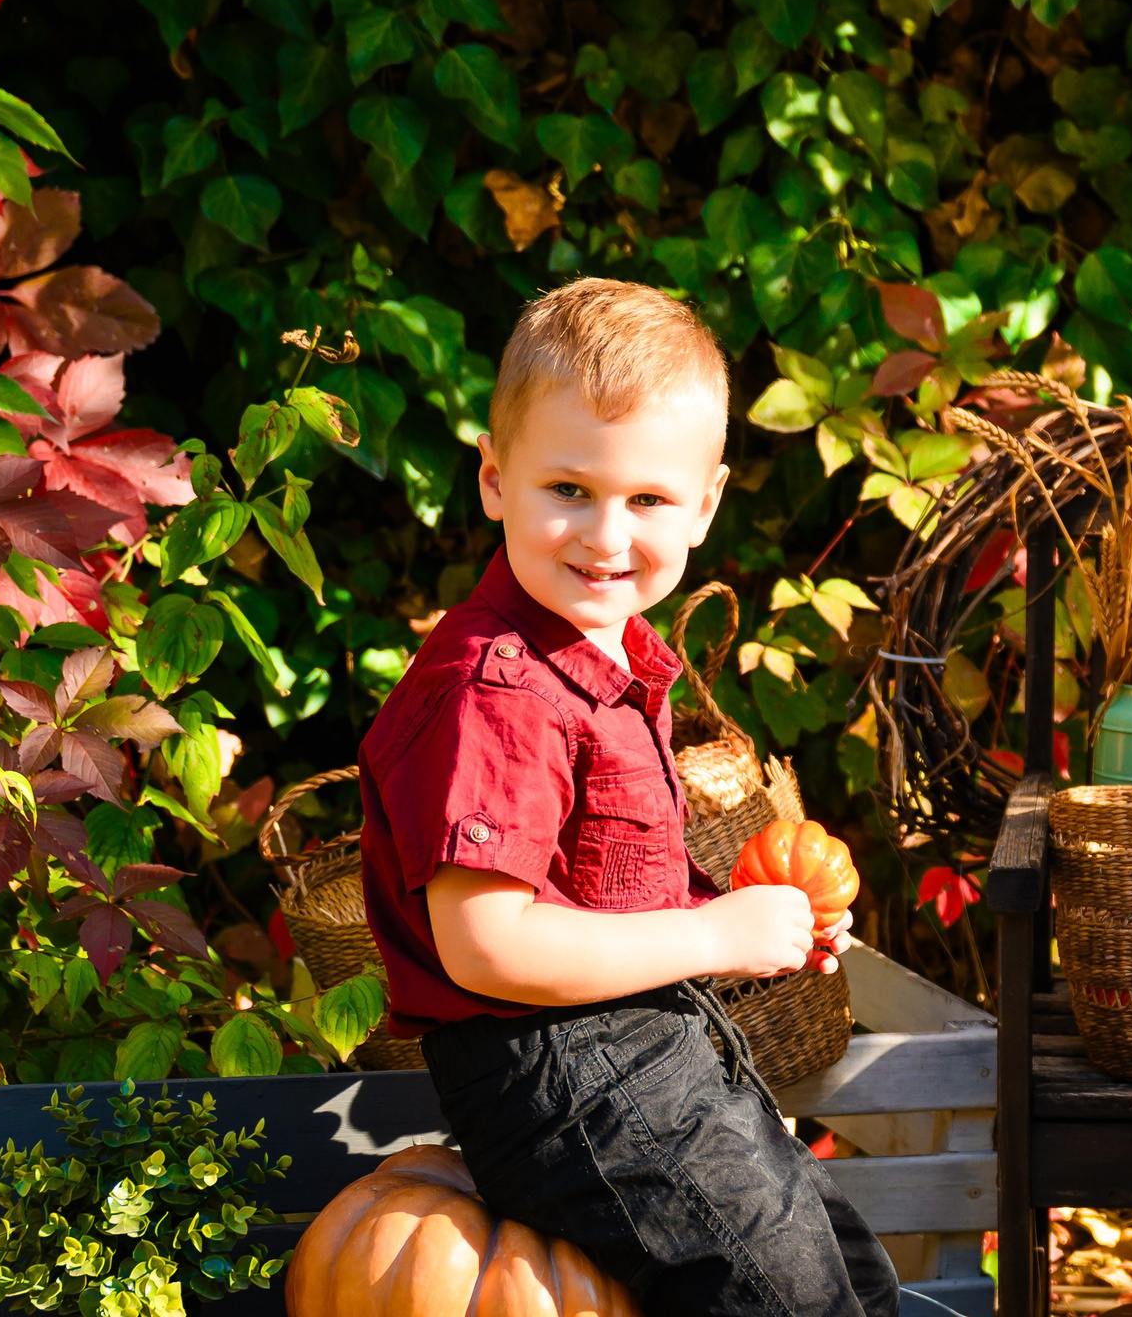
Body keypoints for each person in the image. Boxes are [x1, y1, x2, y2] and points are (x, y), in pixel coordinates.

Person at [357, 279, 897, 1317]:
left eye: (648, 500)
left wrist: (748, 925)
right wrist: (715, 937)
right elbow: (488, 947)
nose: (606, 535)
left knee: (847, 1281)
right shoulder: (496, 690)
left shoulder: (607, 659)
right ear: (493, 478)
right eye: (569, 487)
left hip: (653, 1057)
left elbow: (597, 898)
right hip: (567, 1081)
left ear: (706, 504)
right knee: (784, 1301)